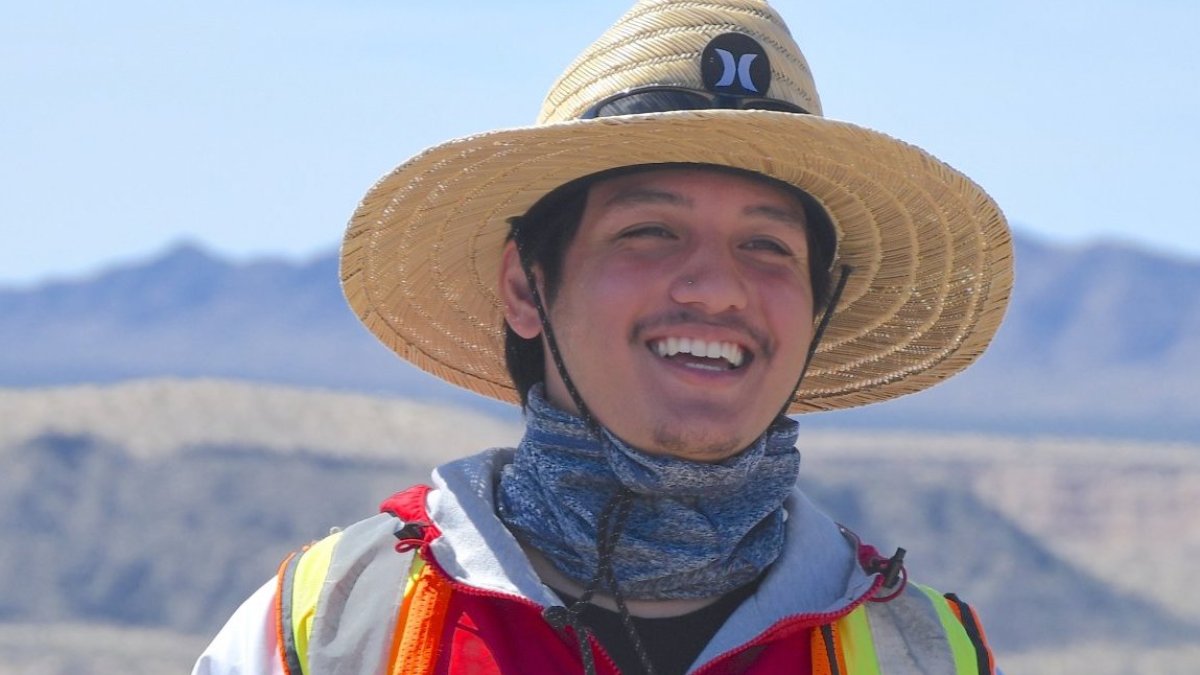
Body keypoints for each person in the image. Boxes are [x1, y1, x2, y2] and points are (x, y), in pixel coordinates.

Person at [194, 0, 1012, 673]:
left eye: (767, 246)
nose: (718, 287)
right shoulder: (334, 627)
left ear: (817, 306)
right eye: (650, 231)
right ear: (527, 285)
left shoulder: (923, 650)